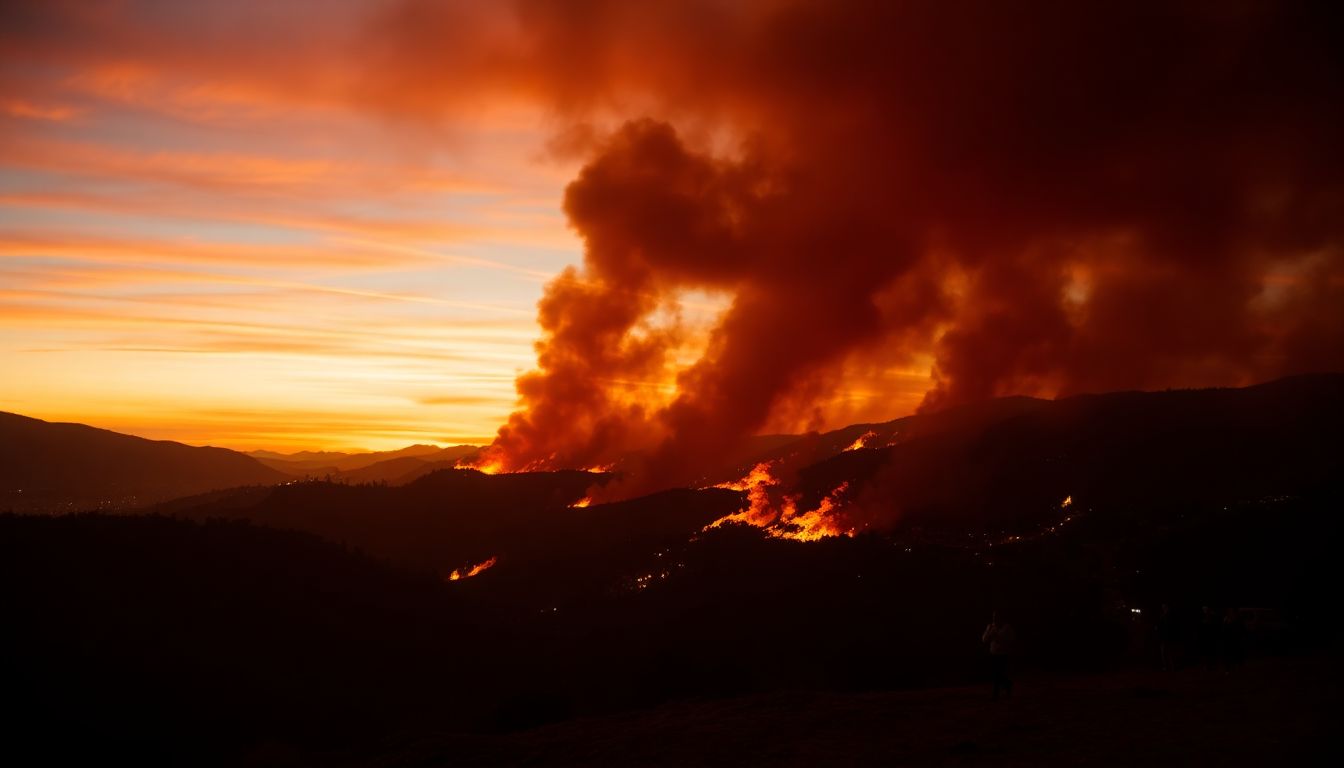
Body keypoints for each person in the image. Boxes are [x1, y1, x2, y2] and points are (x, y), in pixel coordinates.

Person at [983, 611, 1016, 700]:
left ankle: (996, 693)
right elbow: (984, 639)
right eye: (994, 617)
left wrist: (997, 636)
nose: (995, 619)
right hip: (993, 653)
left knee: (998, 673)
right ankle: (1007, 684)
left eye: (997, 617)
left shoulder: (1007, 628)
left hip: (1003, 654)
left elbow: (1010, 640)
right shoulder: (991, 627)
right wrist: (988, 630)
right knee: (996, 674)